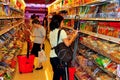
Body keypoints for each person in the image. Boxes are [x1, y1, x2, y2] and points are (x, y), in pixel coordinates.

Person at [49, 14, 78, 80]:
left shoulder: (52, 31)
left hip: (52, 56)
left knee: (56, 74)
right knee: (62, 75)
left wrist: (71, 35)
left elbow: (60, 38)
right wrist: (74, 36)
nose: (63, 23)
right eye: (62, 22)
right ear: (58, 22)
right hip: (59, 57)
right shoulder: (61, 31)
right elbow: (68, 44)